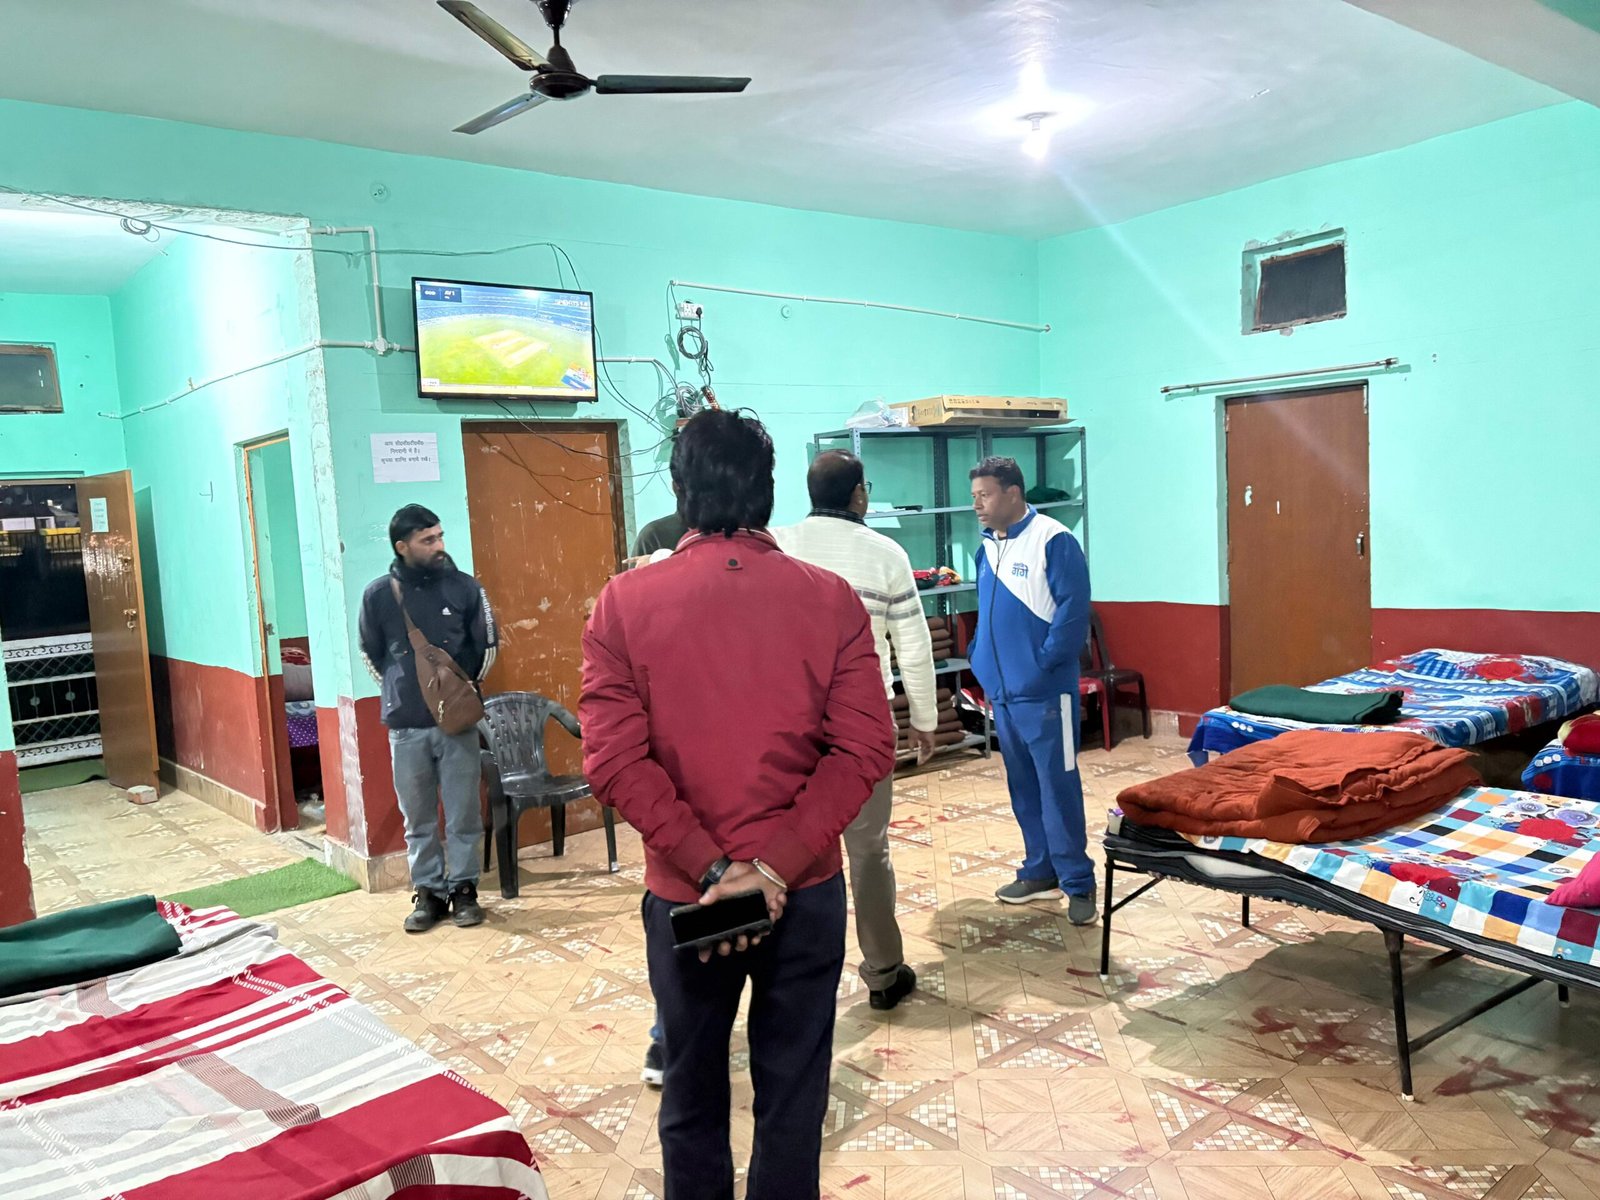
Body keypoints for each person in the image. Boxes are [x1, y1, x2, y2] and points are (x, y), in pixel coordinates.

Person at [581, 410, 895, 1200]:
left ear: (680, 490)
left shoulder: (622, 604)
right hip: (804, 889)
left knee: (690, 1091)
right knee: (793, 1092)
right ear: (768, 491)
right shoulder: (830, 600)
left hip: (691, 895)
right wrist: (773, 869)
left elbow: (613, 760)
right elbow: (863, 749)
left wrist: (715, 869)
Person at [773, 449, 934, 1011]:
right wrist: (924, 719)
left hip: (790, 726)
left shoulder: (779, 544)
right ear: (859, 494)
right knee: (868, 850)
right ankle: (883, 973)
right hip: (863, 724)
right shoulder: (886, 553)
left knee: (792, 848)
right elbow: (912, 645)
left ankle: (795, 978)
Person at [358, 504, 499, 933]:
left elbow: (487, 648)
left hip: (457, 725)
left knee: (463, 815)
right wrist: (406, 692)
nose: (439, 545)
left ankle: (464, 891)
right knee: (417, 819)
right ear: (402, 547)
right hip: (405, 728)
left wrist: (456, 695)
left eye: (439, 536)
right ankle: (428, 894)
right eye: (427, 540)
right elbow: (371, 653)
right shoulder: (378, 595)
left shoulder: (465, 588)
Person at [967, 456, 1096, 924]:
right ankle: (1040, 871)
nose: (976, 505)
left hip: (1046, 695)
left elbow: (1073, 614)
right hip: (1003, 696)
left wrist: (1043, 665)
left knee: (1057, 788)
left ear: (1013, 493)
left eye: (985, 495)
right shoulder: (987, 548)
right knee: (1023, 788)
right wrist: (980, 658)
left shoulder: (1054, 540)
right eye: (974, 496)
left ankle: (1078, 882)